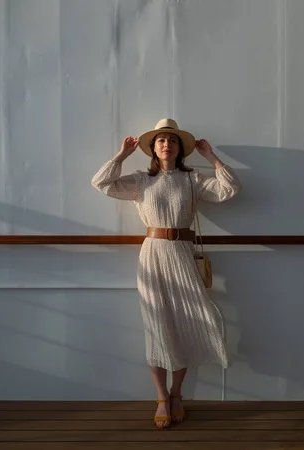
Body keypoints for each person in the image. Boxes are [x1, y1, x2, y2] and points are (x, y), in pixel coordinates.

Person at [91, 118, 241, 428]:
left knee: (188, 322)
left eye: (171, 140)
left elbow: (230, 188)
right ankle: (161, 397)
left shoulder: (191, 179)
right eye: (160, 140)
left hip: (183, 256)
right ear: (153, 147)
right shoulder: (140, 180)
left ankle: (177, 394)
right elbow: (101, 183)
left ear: (180, 147)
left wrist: (211, 157)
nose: (166, 144)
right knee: (157, 326)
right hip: (153, 257)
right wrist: (121, 156)